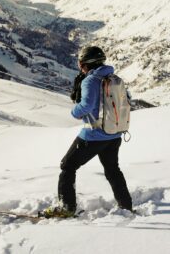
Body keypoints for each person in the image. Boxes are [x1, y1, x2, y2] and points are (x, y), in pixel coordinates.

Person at [42, 46, 133, 218]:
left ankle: (66, 207)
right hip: (114, 134)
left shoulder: (90, 81)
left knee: (67, 166)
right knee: (113, 170)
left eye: (80, 63)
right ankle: (126, 205)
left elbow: (86, 106)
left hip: (93, 135)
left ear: (85, 64)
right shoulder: (114, 77)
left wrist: (74, 111)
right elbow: (127, 100)